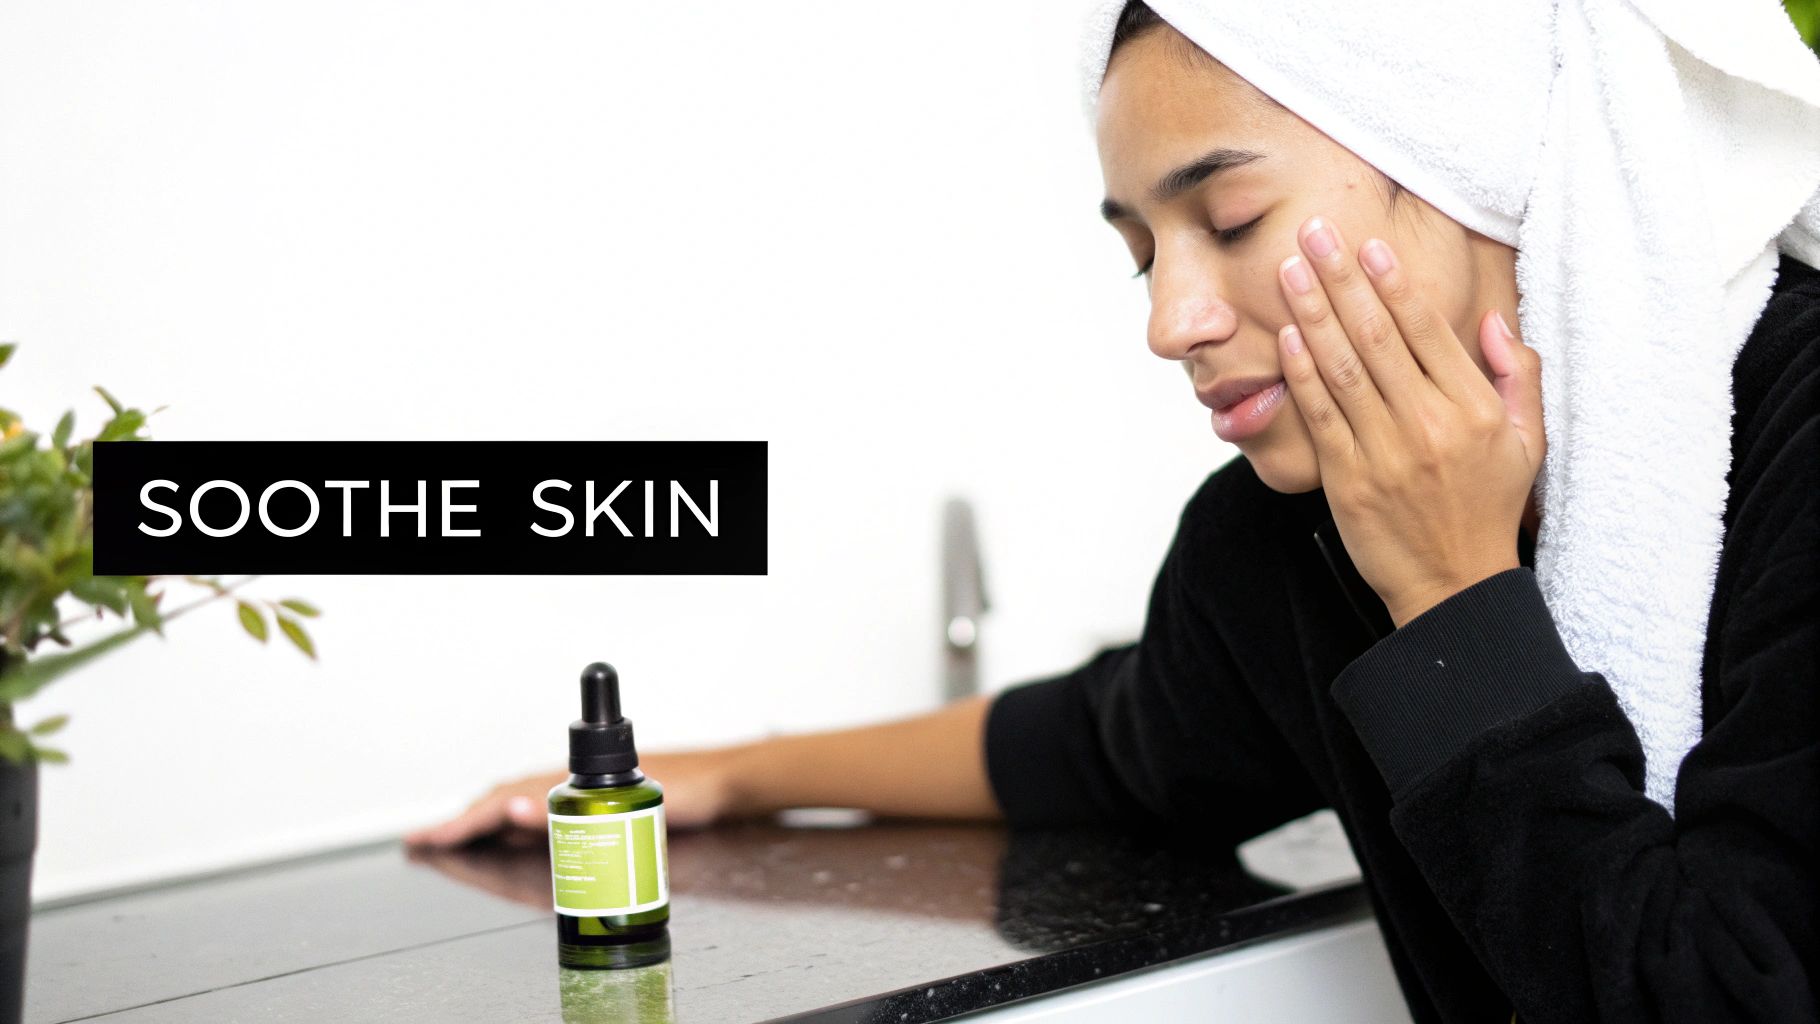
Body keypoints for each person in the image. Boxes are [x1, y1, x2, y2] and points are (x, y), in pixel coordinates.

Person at [409, 3, 1820, 1019]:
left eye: (1231, 221)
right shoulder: (1282, 538)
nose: (1171, 319)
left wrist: (1453, 606)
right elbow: (1108, 743)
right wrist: (738, 772)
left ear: (1481, 163)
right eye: (1140, 248)